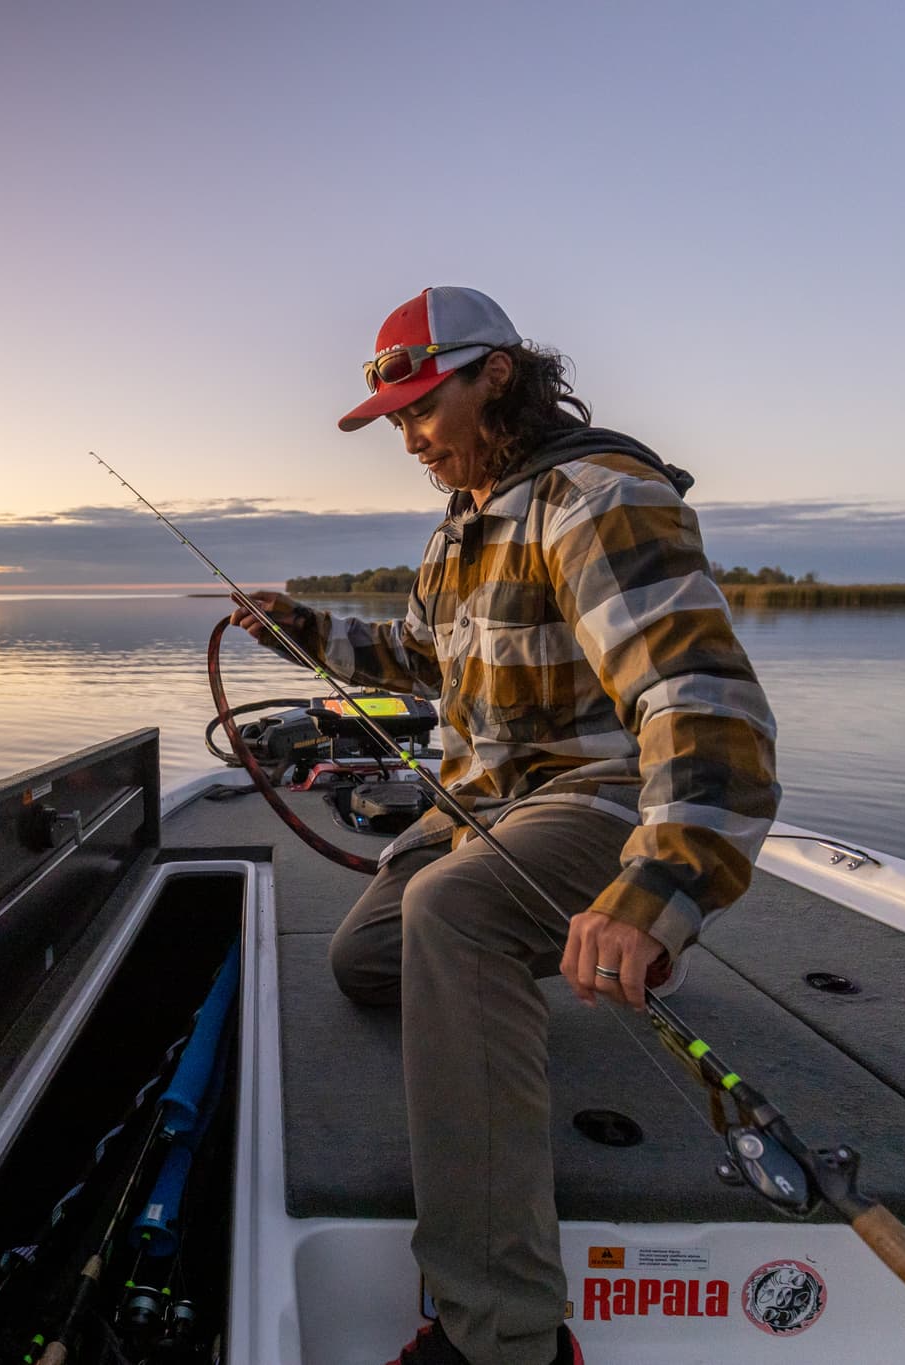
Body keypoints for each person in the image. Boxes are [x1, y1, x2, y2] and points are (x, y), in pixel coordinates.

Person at [228, 286, 780, 1365]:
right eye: (395, 419)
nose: (410, 436)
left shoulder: (597, 497)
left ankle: (501, 1334)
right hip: (481, 814)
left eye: (424, 406)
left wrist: (654, 885)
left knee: (453, 912)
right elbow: (422, 661)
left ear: (498, 375)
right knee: (363, 957)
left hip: (597, 803)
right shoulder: (459, 530)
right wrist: (301, 631)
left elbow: (704, 707)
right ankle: (554, 954)